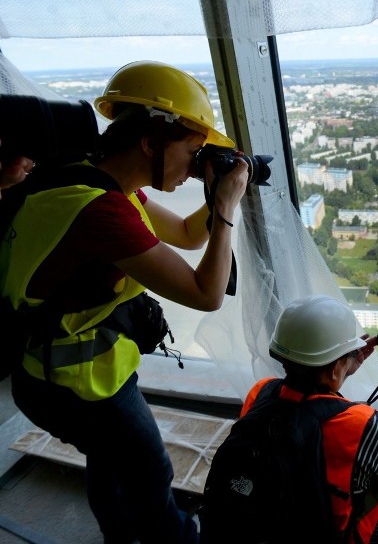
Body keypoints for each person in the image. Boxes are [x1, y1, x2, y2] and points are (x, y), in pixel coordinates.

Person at [1, 60, 248, 543]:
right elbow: (206, 293)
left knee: (109, 460)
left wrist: (215, 192)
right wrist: (225, 208)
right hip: (75, 384)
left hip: (50, 370)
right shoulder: (101, 211)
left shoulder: (91, 179)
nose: (193, 163)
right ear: (152, 143)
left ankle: (119, 535)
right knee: (150, 473)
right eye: (192, 150)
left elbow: (183, 235)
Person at [239, 294, 378, 543]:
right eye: (346, 356)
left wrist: (341, 367)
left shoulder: (261, 392)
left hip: (271, 517)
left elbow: (311, 405)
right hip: (330, 531)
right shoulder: (362, 426)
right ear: (334, 368)